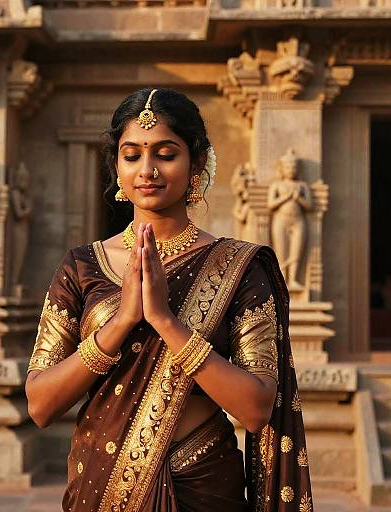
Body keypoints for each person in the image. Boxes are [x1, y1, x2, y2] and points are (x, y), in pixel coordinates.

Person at [25, 88, 312, 511]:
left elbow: (255, 409)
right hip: (102, 484)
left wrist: (164, 321)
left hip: (202, 481)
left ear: (196, 164)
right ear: (116, 167)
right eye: (131, 154)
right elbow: (40, 404)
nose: (148, 170)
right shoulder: (82, 265)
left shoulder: (238, 266)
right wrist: (121, 322)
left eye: (165, 153)